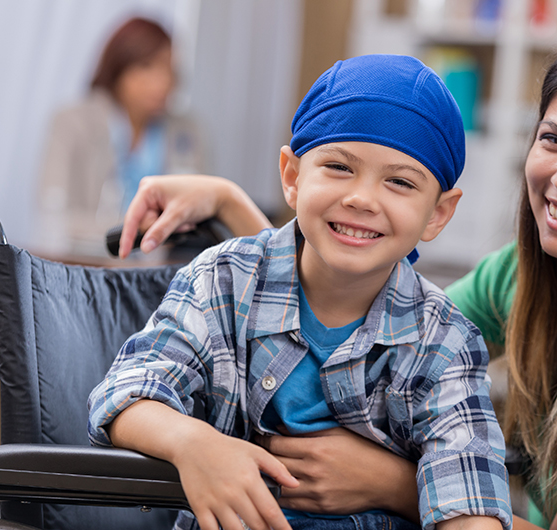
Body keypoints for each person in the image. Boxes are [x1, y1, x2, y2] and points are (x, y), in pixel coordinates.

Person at [114, 26, 557, 530]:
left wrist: (400, 484)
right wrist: (229, 202)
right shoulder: (526, 277)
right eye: (553, 139)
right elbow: (351, 296)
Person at [88, 54, 512, 530]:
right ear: (292, 176)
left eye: (399, 181)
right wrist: (194, 444)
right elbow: (125, 394)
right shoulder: (224, 279)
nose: (362, 198)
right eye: (338, 166)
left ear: (437, 213)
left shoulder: (447, 344)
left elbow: (471, 504)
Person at [36, 17, 204, 255]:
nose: (162, 82)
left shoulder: (186, 132)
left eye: (169, 69)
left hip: (160, 273)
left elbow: (198, 212)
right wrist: (136, 228)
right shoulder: (71, 123)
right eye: (147, 66)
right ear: (118, 68)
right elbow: (54, 218)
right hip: (85, 266)